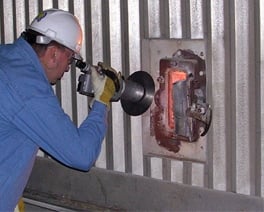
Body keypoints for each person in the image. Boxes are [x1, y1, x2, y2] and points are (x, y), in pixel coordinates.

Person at [0, 8, 116, 211]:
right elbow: (81, 155)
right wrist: (101, 101)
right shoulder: (28, 88)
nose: (67, 68)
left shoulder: (5, 56)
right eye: (70, 60)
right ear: (53, 54)